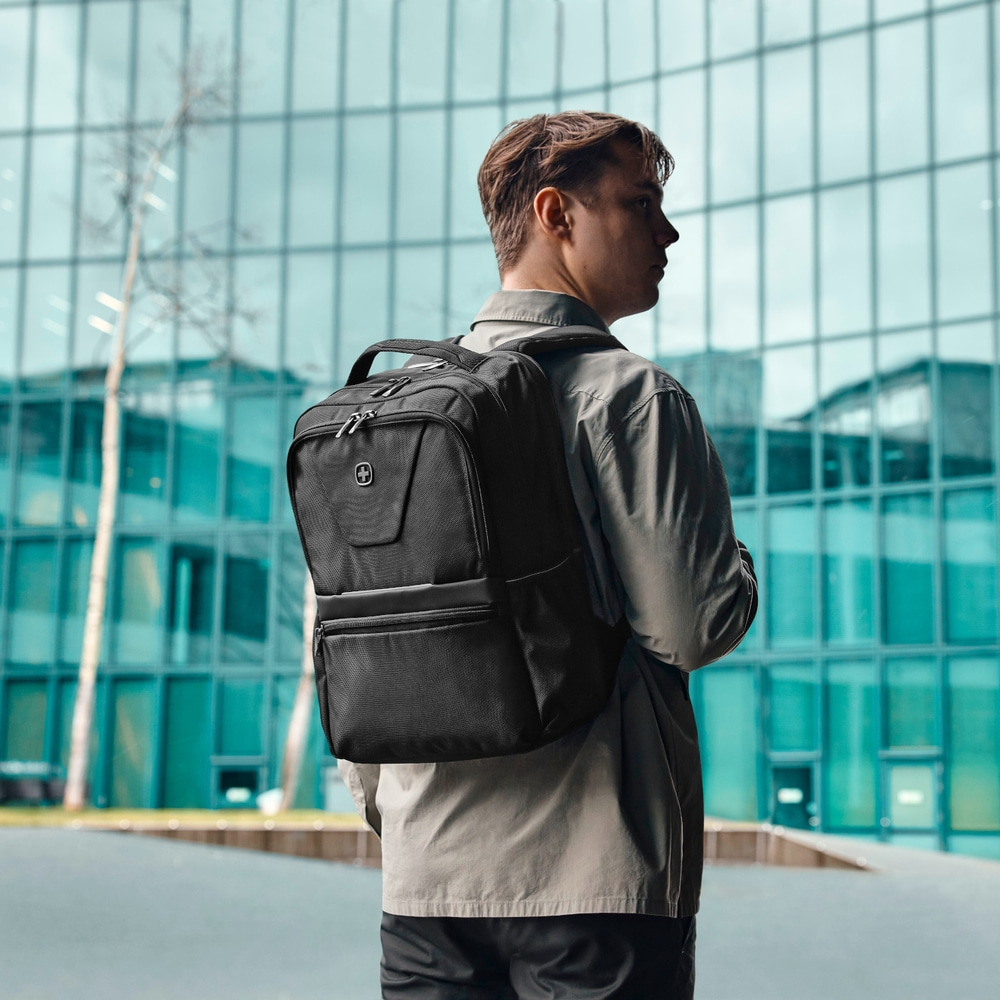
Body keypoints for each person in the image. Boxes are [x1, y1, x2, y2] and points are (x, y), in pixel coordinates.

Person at [340, 110, 758, 1000]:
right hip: (593, 878)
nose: (668, 230)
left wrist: (395, 813)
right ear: (556, 214)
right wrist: (738, 564)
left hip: (427, 886)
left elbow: (343, 633)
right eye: (641, 202)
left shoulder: (389, 411)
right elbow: (692, 626)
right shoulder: (632, 397)